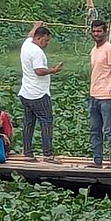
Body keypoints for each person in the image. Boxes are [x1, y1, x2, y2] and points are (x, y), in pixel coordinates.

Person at [19, 21, 63, 162]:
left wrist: (36, 25)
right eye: (46, 40)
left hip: (25, 93)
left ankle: (27, 153)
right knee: (46, 122)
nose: (47, 43)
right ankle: (48, 154)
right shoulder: (36, 52)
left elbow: (30, 34)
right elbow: (39, 71)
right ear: (39, 38)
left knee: (29, 123)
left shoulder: (27, 44)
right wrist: (53, 70)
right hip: (38, 94)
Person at [87, 18, 111, 169]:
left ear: (105, 32)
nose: (96, 34)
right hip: (94, 95)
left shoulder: (110, 49)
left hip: (107, 96)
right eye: (94, 31)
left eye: (99, 31)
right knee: (95, 130)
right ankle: (97, 160)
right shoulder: (94, 50)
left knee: (109, 130)